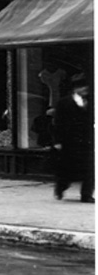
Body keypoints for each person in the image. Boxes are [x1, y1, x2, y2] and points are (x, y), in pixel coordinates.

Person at [51, 73, 94, 203]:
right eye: (81, 87)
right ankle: (61, 187)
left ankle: (86, 195)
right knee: (68, 168)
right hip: (69, 141)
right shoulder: (64, 102)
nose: (85, 89)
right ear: (75, 89)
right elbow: (58, 123)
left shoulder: (92, 101)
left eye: (86, 87)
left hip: (87, 140)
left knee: (90, 168)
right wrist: (57, 141)